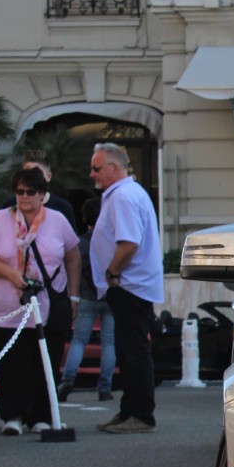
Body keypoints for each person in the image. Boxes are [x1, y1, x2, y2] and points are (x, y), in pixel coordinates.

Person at [0, 166, 80, 435]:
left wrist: (74, 295)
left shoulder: (57, 220)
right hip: (8, 306)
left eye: (30, 192)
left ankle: (42, 416)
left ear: (42, 194)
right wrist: (10, 274)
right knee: (12, 363)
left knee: (45, 361)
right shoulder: (1, 219)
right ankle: (13, 416)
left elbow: (73, 256)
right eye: (19, 191)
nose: (24, 197)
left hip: (47, 303)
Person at [89, 142, 164, 434]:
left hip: (129, 286)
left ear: (114, 168)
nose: (91, 173)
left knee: (133, 352)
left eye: (96, 168)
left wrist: (112, 272)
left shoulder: (123, 197)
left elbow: (129, 242)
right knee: (126, 350)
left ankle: (141, 415)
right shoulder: (125, 194)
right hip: (129, 286)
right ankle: (130, 410)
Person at [57, 198, 115, 402]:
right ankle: (105, 387)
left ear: (84, 218)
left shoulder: (81, 243)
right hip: (111, 295)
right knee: (109, 343)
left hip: (86, 296)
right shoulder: (113, 241)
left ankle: (67, 380)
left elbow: (72, 267)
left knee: (79, 340)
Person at [0, 153, 79, 235]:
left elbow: (71, 244)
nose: (31, 179)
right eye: (27, 174)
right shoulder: (8, 206)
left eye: (37, 174)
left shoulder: (63, 208)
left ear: (48, 177)